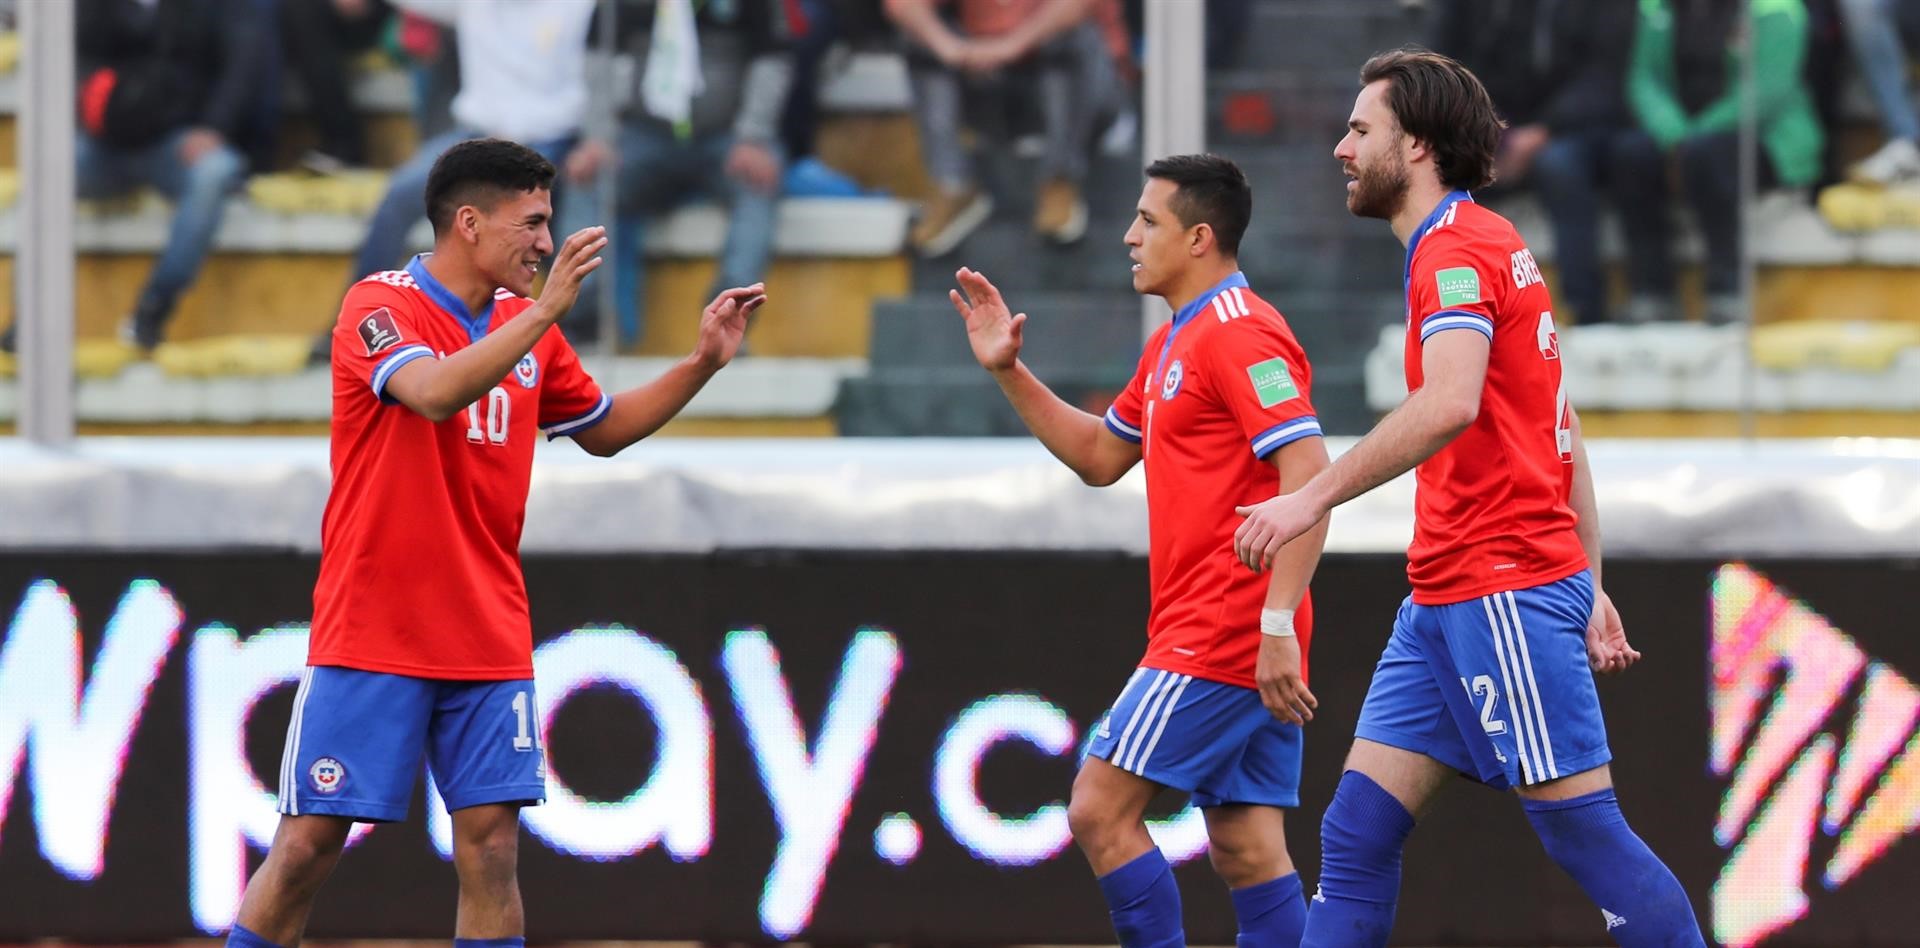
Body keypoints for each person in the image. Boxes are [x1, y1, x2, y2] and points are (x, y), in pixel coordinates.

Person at [220, 139, 765, 948]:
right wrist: (545, 313)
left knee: (494, 847)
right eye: (533, 222)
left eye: (549, 224)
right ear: (469, 223)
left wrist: (701, 364)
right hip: (374, 626)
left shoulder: (524, 328)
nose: (547, 242)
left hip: (486, 630)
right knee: (307, 844)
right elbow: (434, 393)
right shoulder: (380, 305)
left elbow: (604, 429)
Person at [1232, 50, 1706, 948]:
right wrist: (1591, 580)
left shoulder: (1454, 249)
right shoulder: (1489, 243)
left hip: (1500, 587)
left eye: (1359, 129)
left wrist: (1308, 499)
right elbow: (1560, 430)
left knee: (1585, 835)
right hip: (1449, 596)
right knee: (1356, 831)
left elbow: (1450, 402)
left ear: (1413, 146)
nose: (1340, 147)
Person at [952, 153, 1331, 947]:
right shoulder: (1174, 344)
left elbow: (1308, 474)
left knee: (1097, 808)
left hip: (1225, 628)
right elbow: (1100, 457)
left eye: (1147, 221)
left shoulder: (1240, 332)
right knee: (1246, 848)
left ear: (1199, 238)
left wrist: (1273, 626)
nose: (1128, 236)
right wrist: (1009, 370)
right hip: (1230, 629)